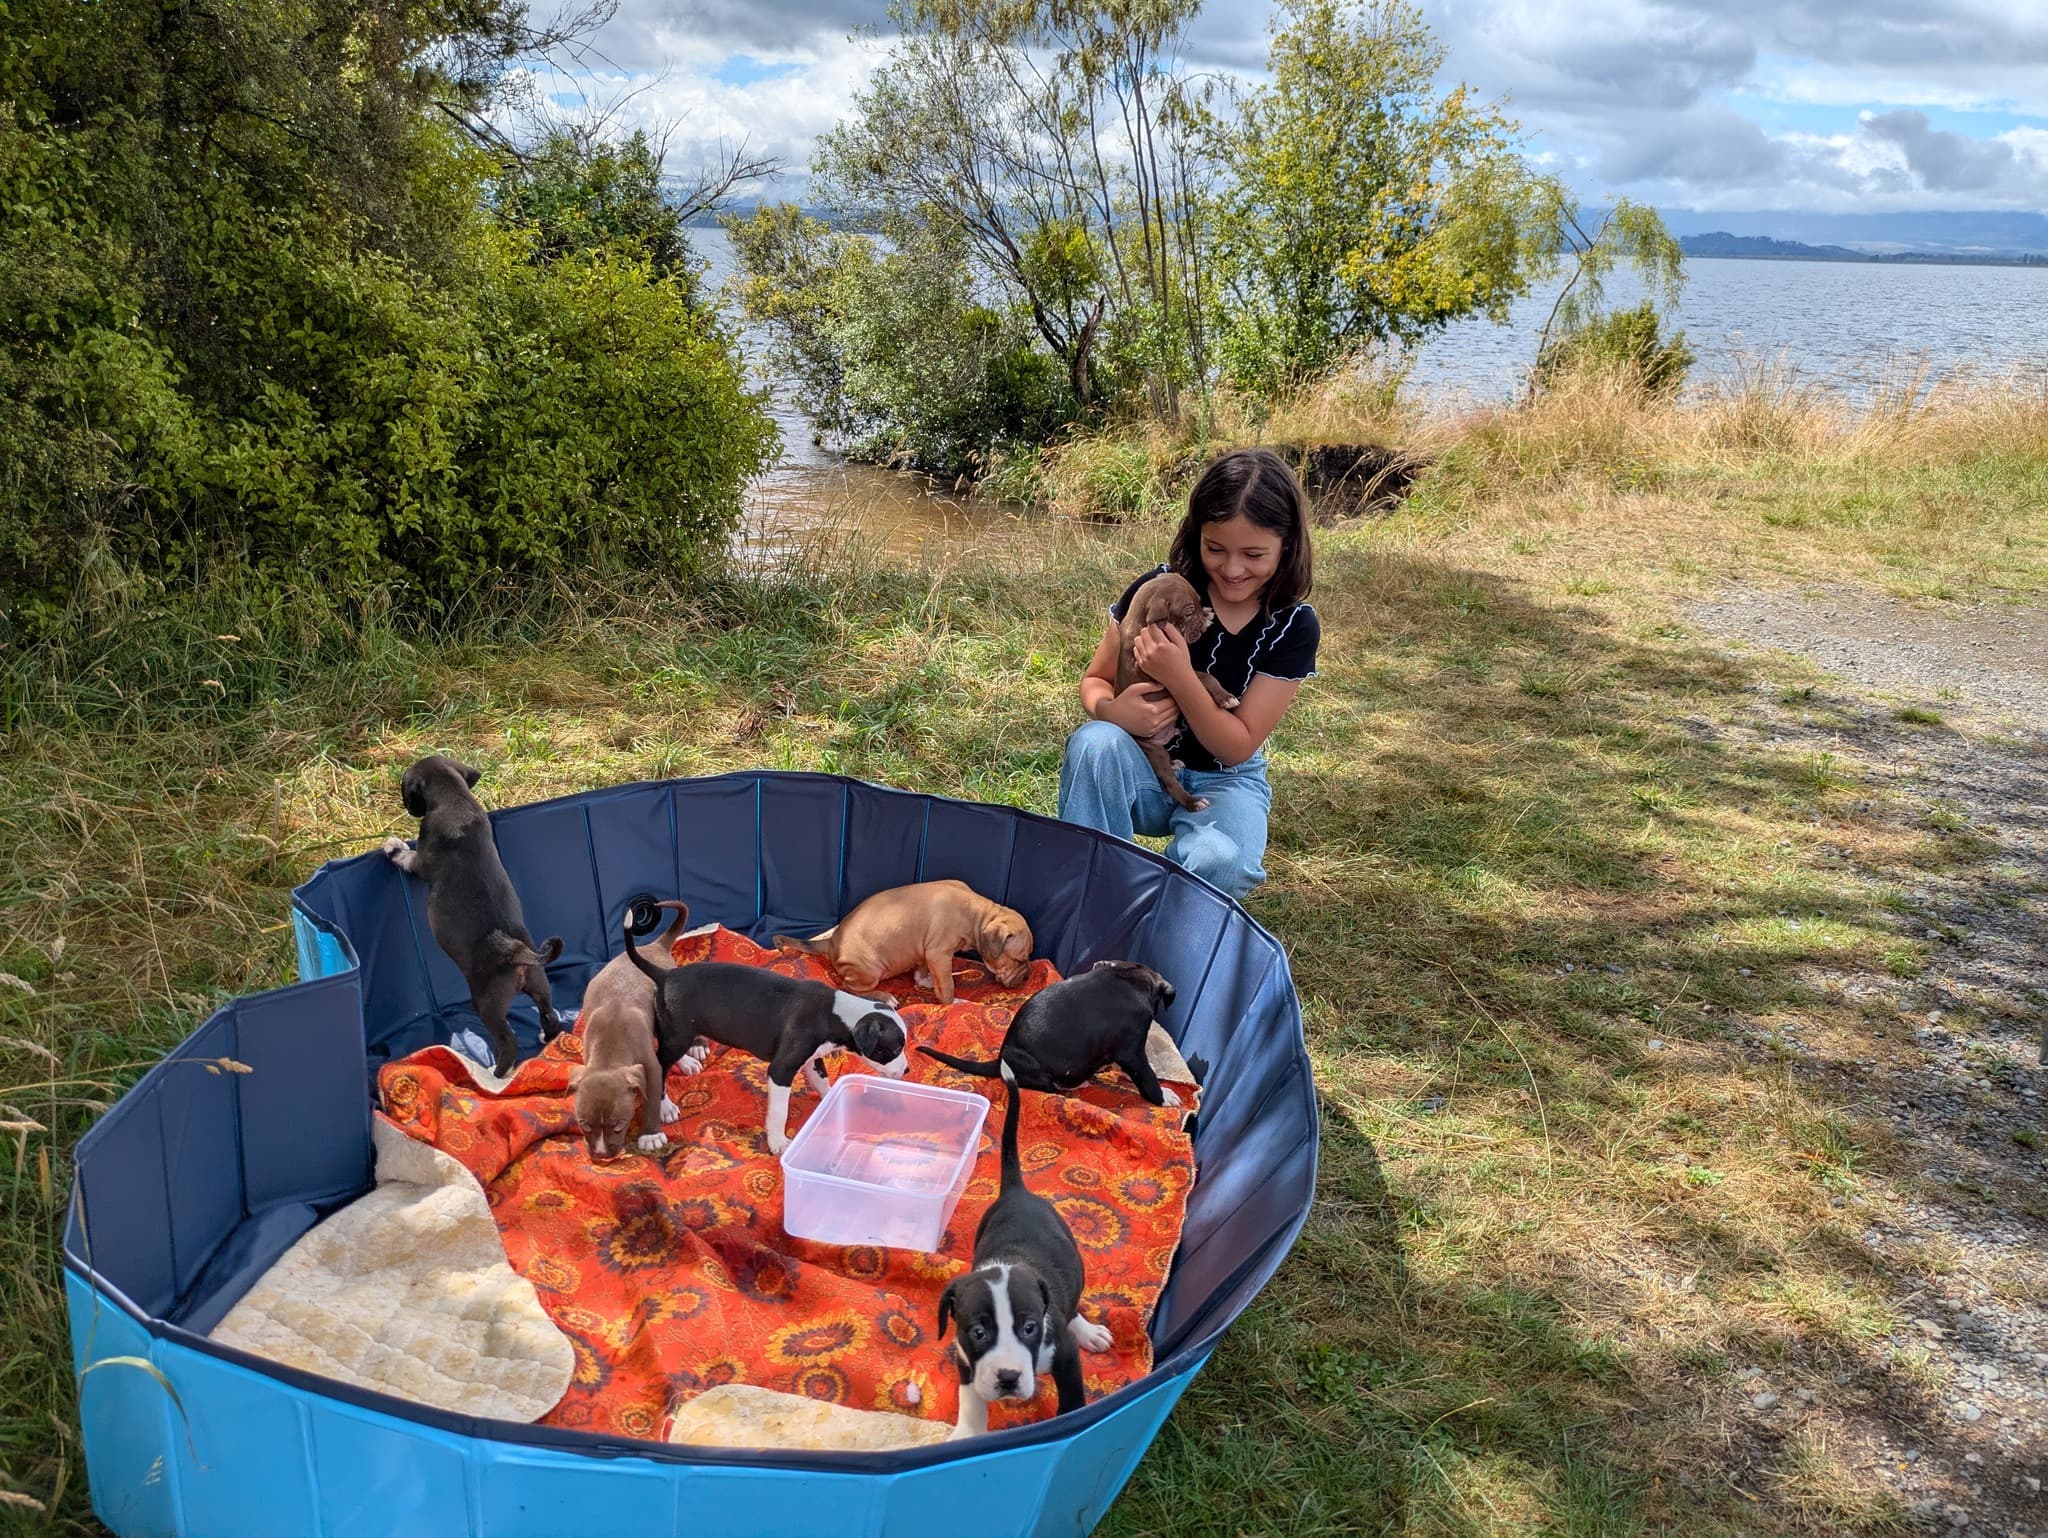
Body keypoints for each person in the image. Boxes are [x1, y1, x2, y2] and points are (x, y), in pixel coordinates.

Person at [1058, 447, 1320, 900]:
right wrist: (1111, 711)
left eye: (1253, 554)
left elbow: (1236, 746)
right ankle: (1091, 891)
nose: (1232, 569)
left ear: (1288, 545)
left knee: (1221, 860)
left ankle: (1152, 905)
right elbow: (1095, 679)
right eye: (1215, 548)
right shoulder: (1160, 590)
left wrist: (1179, 676)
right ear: (1196, 532)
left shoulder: (1293, 626)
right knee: (1094, 743)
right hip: (1140, 764)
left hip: (1227, 778)